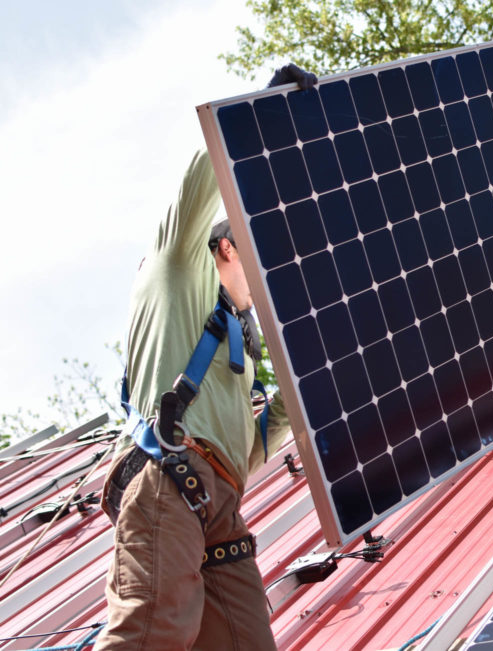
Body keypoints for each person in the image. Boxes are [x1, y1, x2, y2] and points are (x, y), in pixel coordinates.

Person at [94, 65, 316, 650]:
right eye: (259, 248)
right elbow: (204, 181)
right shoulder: (176, 274)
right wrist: (257, 115)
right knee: (152, 632)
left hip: (219, 506)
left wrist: (304, 398)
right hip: (166, 477)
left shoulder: (238, 352)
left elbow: (248, 450)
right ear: (224, 246)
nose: (272, 268)